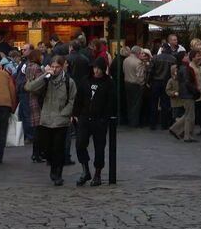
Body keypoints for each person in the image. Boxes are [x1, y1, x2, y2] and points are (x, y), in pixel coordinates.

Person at [26, 55, 77, 186]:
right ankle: (52, 165)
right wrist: (44, 75)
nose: (55, 69)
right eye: (53, 66)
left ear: (62, 67)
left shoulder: (68, 82)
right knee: (46, 148)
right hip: (46, 119)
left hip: (61, 120)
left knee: (58, 149)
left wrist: (65, 113)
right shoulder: (46, 79)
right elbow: (30, 87)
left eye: (57, 67)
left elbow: (72, 100)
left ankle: (57, 174)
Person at [72, 57, 116, 186]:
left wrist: (105, 118)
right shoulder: (86, 80)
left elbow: (111, 102)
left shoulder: (108, 83)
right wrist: (75, 113)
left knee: (99, 147)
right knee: (80, 144)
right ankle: (85, 170)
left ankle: (97, 174)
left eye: (99, 69)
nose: (96, 71)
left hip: (99, 119)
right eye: (95, 68)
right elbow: (79, 97)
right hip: (85, 118)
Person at [169, 50, 201, 141]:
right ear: (183, 58)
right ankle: (187, 135)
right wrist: (195, 90)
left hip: (185, 93)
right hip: (188, 93)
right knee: (189, 116)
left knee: (188, 114)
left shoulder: (182, 67)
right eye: (186, 55)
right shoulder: (185, 68)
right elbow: (187, 82)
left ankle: (175, 129)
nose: (188, 57)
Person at [24, 49, 46, 163]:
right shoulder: (36, 68)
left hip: (32, 98)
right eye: (41, 55)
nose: (42, 57)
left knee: (37, 127)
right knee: (39, 127)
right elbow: (39, 84)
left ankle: (36, 153)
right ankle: (37, 153)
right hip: (38, 99)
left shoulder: (28, 66)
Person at [149, 43, 175, 130]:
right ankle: (164, 124)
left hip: (156, 82)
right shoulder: (173, 59)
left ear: (162, 49)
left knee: (154, 103)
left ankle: (152, 123)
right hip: (166, 82)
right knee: (165, 104)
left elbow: (150, 70)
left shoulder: (155, 58)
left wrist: (148, 81)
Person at [122, 45, 147, 127]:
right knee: (136, 105)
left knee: (129, 103)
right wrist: (142, 84)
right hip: (136, 85)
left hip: (127, 83)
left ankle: (130, 120)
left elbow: (123, 71)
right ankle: (134, 122)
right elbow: (140, 77)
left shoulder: (125, 60)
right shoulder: (138, 62)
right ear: (138, 53)